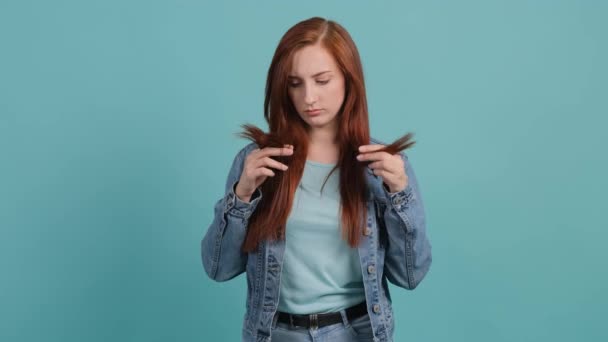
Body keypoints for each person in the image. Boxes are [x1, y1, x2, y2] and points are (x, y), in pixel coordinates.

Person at [201, 16, 432, 342]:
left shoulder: (382, 166)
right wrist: (241, 196)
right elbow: (218, 269)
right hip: (276, 333)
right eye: (296, 83)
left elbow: (410, 275)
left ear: (348, 80)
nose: (309, 97)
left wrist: (400, 194)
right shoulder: (259, 162)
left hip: (357, 333)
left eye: (322, 80)